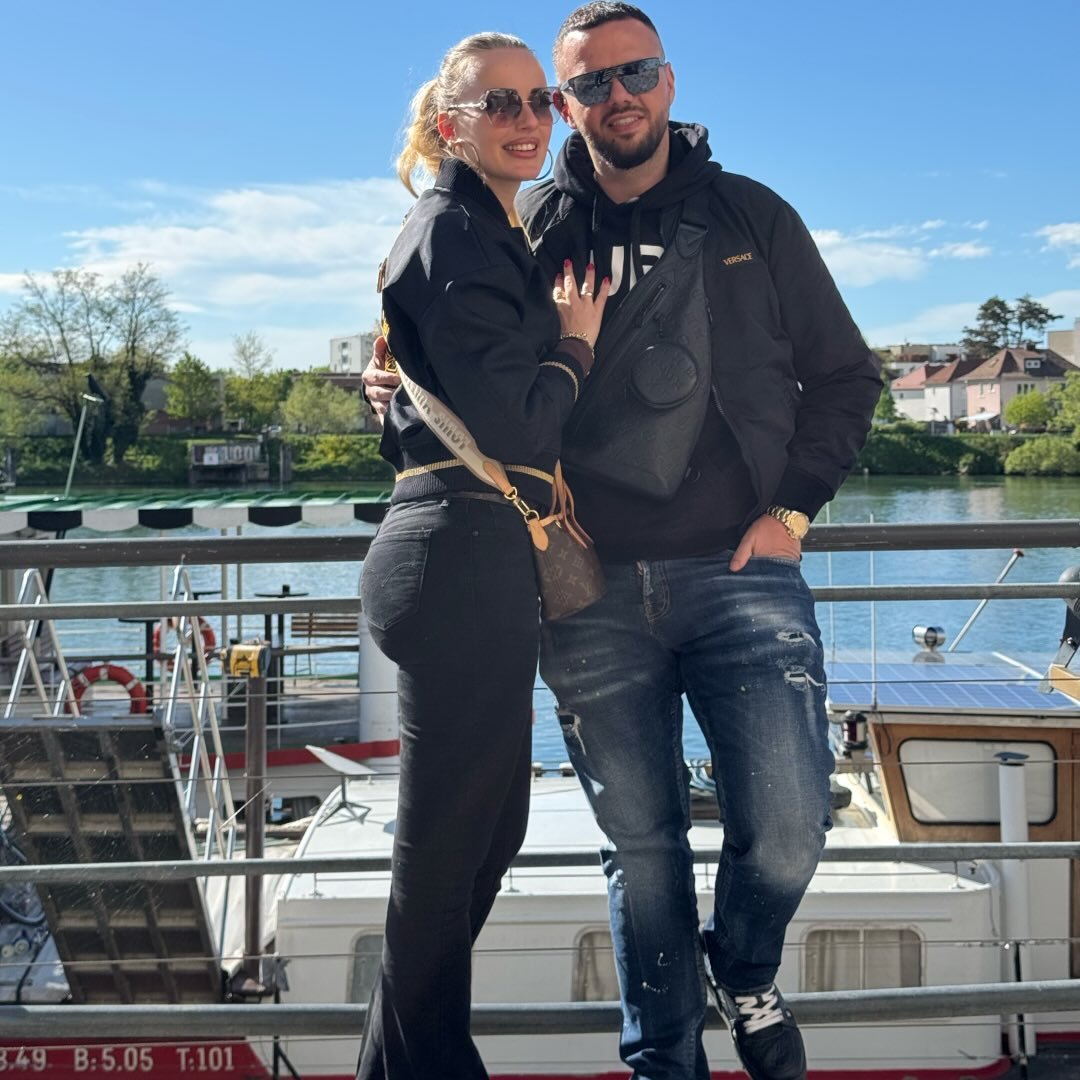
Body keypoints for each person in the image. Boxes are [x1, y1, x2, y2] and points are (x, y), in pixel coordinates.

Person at [364, 5, 881, 1078]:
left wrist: (791, 512)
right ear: (570, 107)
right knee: (639, 850)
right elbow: (465, 371)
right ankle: (663, 1061)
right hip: (585, 579)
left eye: (634, 72)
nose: (617, 96)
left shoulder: (752, 215)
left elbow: (844, 376)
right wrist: (390, 395)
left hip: (740, 569)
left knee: (793, 822)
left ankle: (743, 967)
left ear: (669, 80)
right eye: (588, 84)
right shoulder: (529, 219)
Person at [355, 31, 607, 1080]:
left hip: (467, 557)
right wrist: (577, 342)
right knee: (446, 853)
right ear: (448, 122)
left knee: (483, 837)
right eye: (500, 103)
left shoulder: (478, 229)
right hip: (455, 560)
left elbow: (414, 417)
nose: (527, 119)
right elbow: (515, 422)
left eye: (540, 100)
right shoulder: (455, 229)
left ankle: (397, 1064)